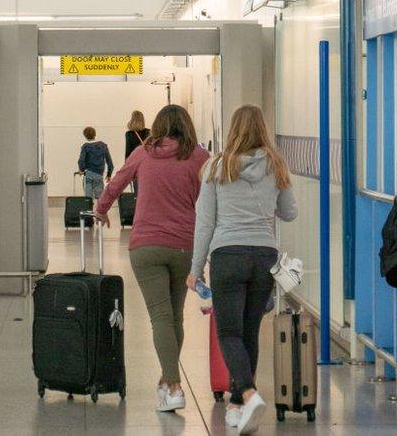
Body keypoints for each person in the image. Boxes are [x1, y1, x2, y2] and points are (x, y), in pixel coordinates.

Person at [188, 104, 297, 435]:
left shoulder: (216, 167)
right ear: (262, 129)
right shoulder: (276, 165)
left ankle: (248, 394)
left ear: (233, 129)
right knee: (249, 332)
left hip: (228, 255)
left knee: (229, 332)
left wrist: (196, 269)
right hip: (264, 256)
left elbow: (205, 223)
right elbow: (289, 212)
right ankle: (236, 407)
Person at [93, 105, 210, 413]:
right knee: (175, 317)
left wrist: (101, 209)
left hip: (146, 245)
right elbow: (212, 198)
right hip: (185, 245)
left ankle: (172, 386)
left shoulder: (144, 152)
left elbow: (117, 181)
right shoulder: (199, 157)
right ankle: (167, 383)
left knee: (160, 317)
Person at [78, 127, 114, 200]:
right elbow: (109, 162)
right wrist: (109, 174)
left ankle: (88, 210)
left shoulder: (85, 146)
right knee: (100, 198)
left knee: (88, 198)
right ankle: (99, 211)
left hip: (88, 174)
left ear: (85, 136)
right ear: (95, 134)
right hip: (99, 174)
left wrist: (81, 170)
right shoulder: (103, 145)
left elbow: (81, 161)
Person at [125, 110, 150, 193]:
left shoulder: (129, 134)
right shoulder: (149, 132)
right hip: (149, 166)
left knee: (138, 192)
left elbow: (128, 152)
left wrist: (126, 167)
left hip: (136, 167)